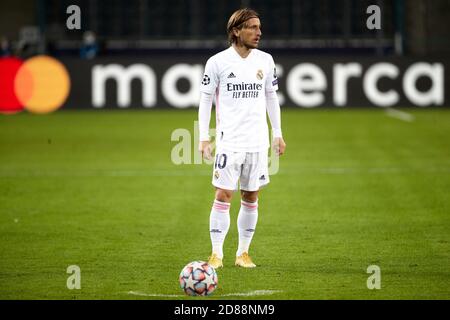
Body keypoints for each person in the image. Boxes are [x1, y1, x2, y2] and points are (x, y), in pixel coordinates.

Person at [198, 8, 286, 269]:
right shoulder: (217, 62)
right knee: (224, 194)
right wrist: (203, 137)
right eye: (252, 27)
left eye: (259, 27)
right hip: (229, 142)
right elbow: (205, 99)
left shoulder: (266, 60)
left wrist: (277, 133)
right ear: (236, 31)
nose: (259, 32)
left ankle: (243, 253)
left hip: (257, 142)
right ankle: (216, 254)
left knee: (251, 196)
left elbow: (272, 97)